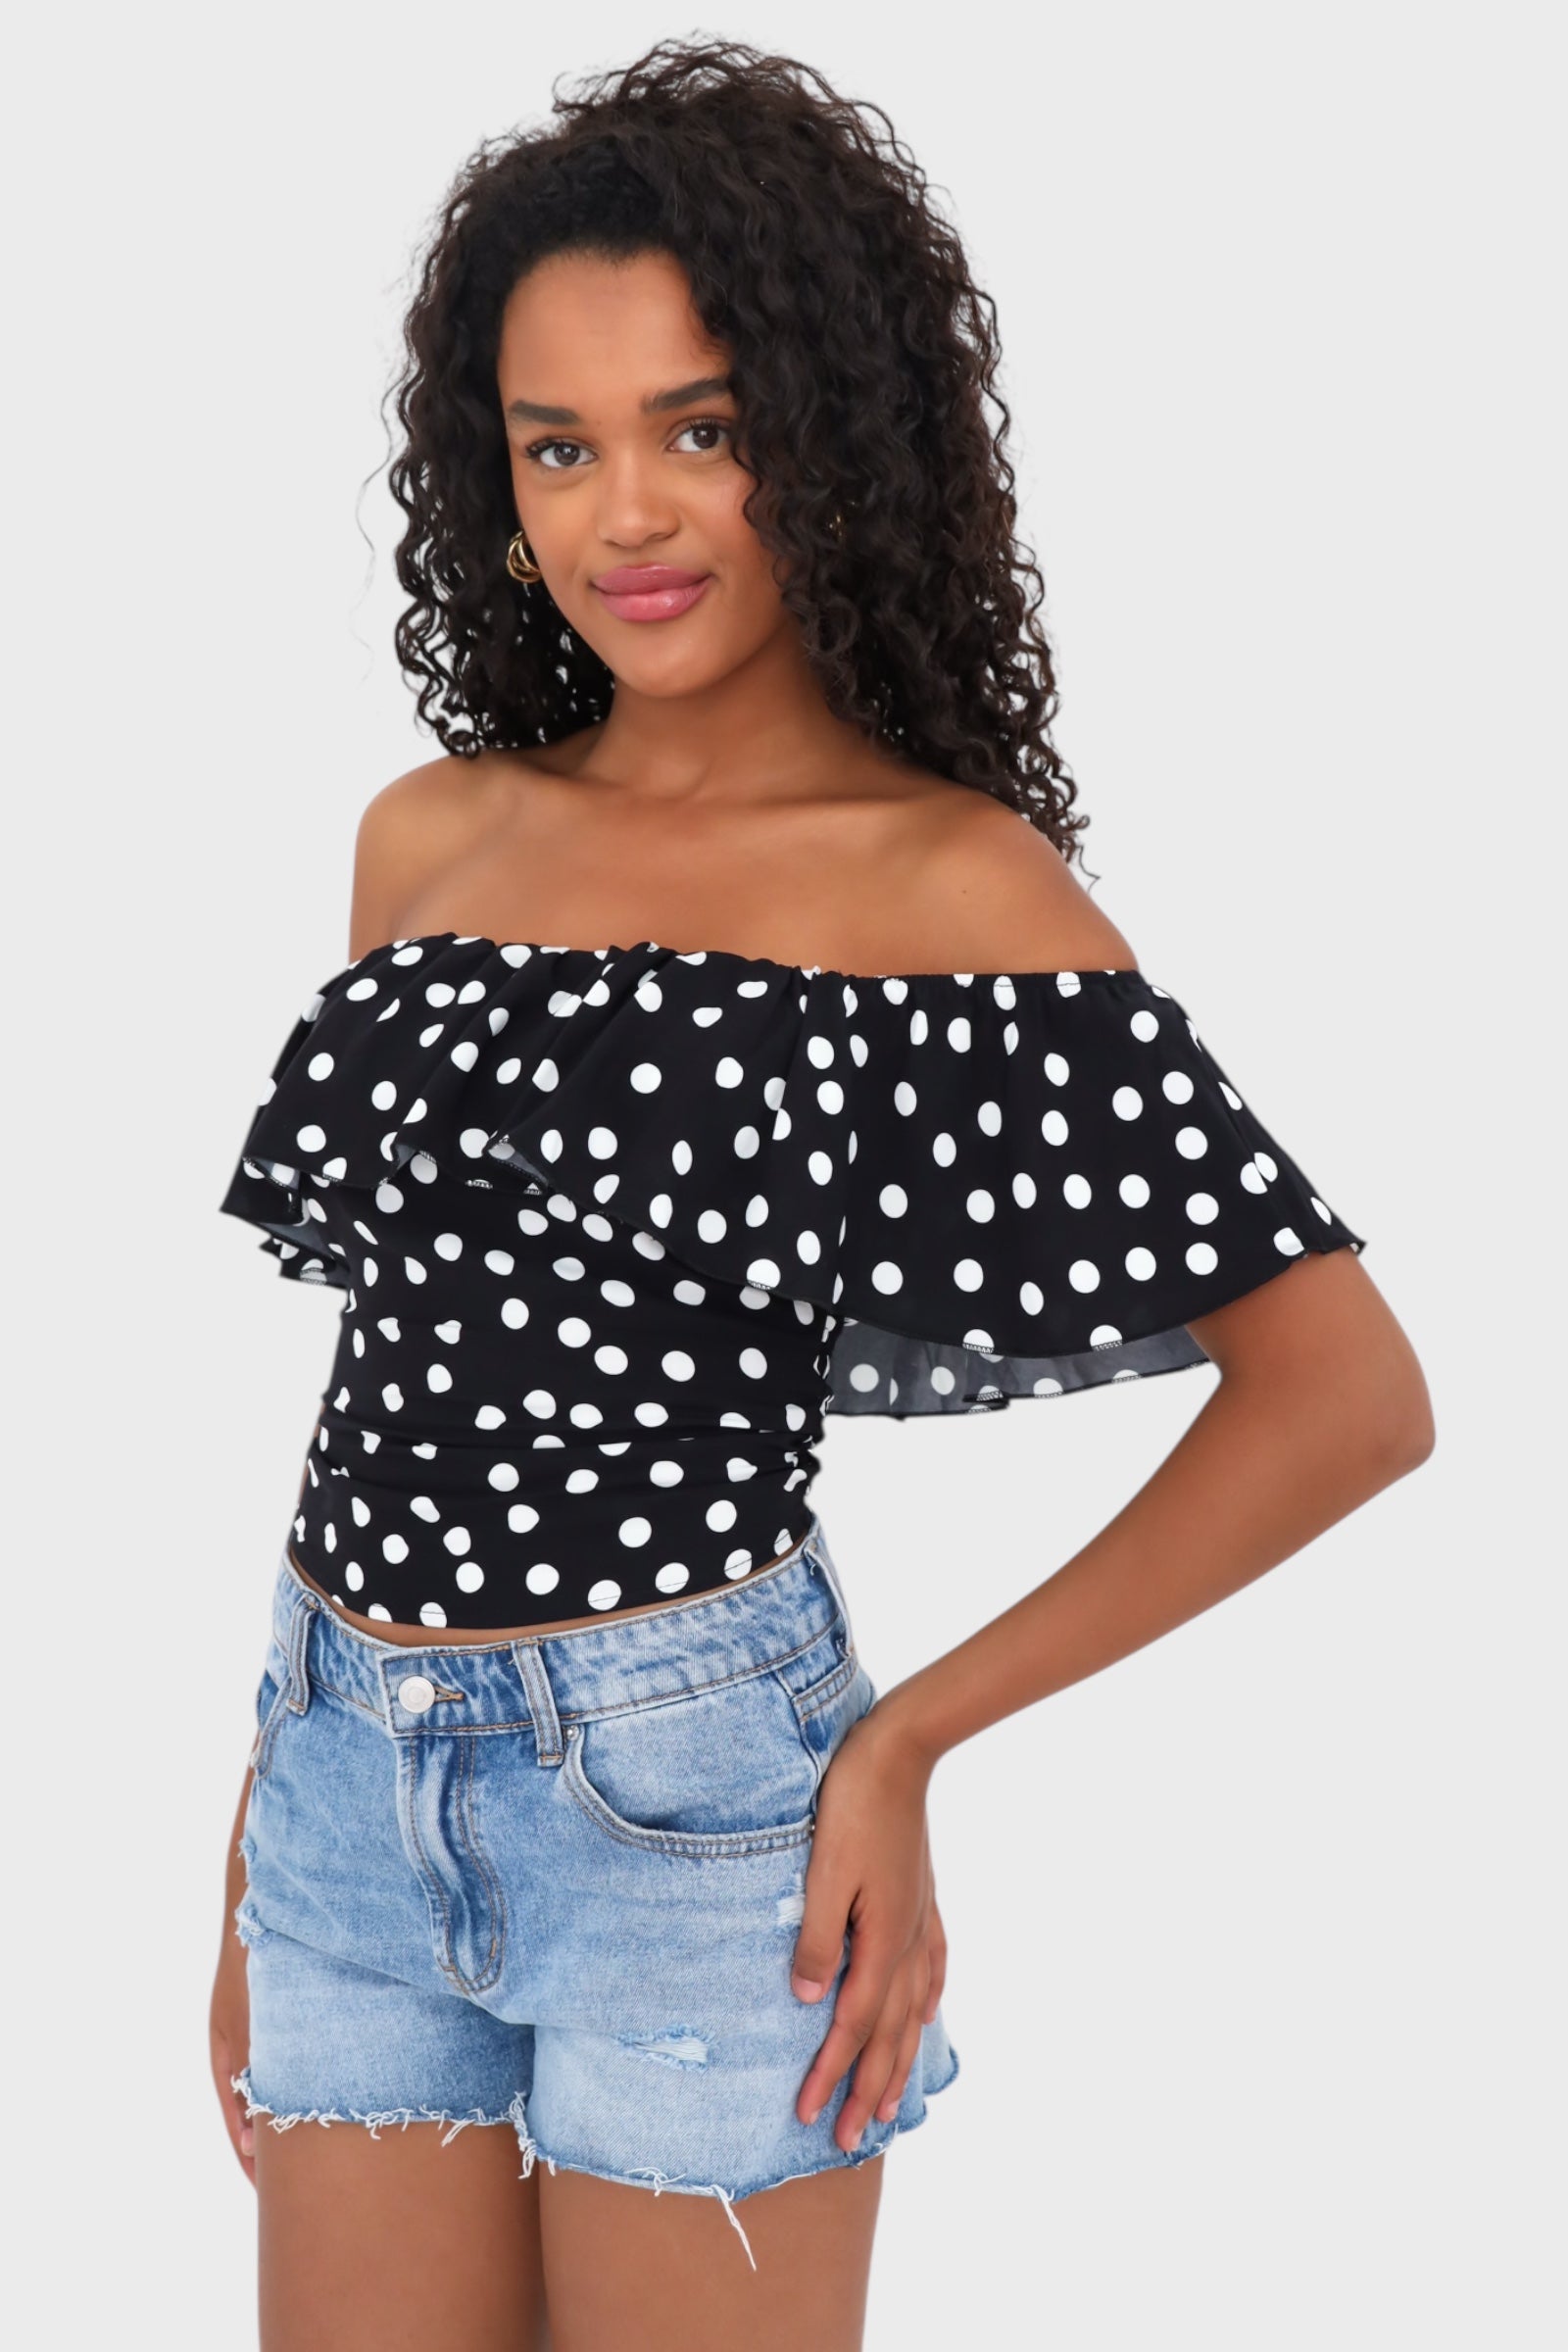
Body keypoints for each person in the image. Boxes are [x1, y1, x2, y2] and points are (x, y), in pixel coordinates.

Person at [209, 38, 1433, 2352]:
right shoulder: (430, 840)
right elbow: (405, 1364)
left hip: (693, 1814)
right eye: (557, 444)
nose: (626, 514)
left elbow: (1344, 1397)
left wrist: (899, 1740)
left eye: (700, 427)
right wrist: (274, 1814)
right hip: (342, 1783)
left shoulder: (943, 889)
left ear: (832, 435)